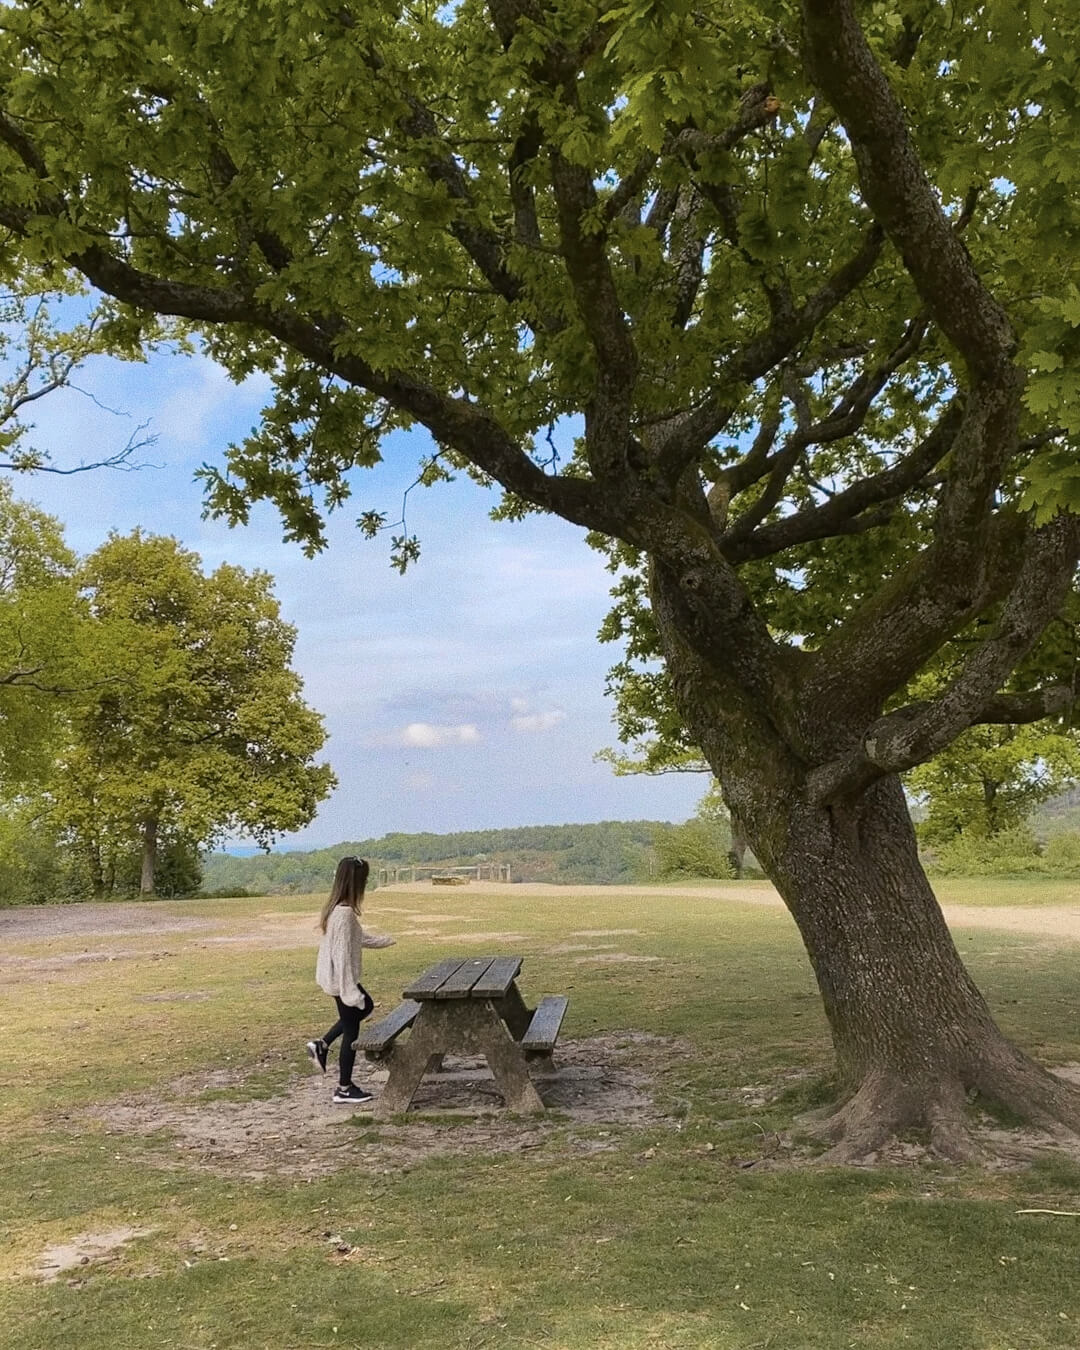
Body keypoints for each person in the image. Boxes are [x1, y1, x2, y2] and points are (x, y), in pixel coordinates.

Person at [306, 856, 395, 1104]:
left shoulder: (337, 909)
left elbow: (356, 938)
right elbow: (342, 955)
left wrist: (384, 941)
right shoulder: (343, 914)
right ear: (356, 883)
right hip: (341, 980)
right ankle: (344, 1088)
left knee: (362, 1010)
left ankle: (321, 1044)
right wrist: (350, 992)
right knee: (353, 1026)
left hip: (335, 977)